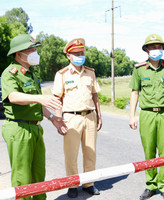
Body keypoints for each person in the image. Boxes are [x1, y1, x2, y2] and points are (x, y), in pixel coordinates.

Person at [1, 33, 68, 200]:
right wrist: (41, 97)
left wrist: (53, 118)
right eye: (31, 49)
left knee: (38, 173)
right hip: (19, 129)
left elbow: (37, 104)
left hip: (35, 128)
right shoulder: (10, 73)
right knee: (22, 177)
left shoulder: (31, 74)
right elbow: (13, 97)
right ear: (19, 53)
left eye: (35, 49)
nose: (35, 53)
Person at [129, 34, 164, 200]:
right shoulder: (139, 69)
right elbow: (135, 92)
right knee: (149, 151)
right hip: (147, 114)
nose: (156, 50)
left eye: (159, 47)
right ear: (146, 50)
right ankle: (151, 185)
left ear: (163, 49)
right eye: (152, 47)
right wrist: (132, 115)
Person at [52, 38, 102, 198]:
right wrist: (58, 120)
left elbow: (95, 95)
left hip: (90, 116)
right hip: (71, 118)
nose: (80, 55)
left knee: (90, 152)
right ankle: (72, 184)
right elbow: (56, 100)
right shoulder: (62, 74)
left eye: (82, 52)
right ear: (68, 55)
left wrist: (99, 115)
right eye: (76, 53)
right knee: (71, 154)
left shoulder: (90, 72)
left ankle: (89, 183)